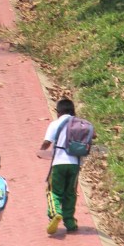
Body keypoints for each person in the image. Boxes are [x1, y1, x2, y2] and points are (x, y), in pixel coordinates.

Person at [40, 98, 94, 235]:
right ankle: (70, 223)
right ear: (72, 111)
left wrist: (41, 150)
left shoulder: (55, 124)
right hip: (75, 164)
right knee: (70, 193)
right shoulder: (80, 124)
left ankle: (55, 213)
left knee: (53, 191)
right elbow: (93, 135)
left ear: (58, 112)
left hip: (59, 164)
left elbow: (47, 142)